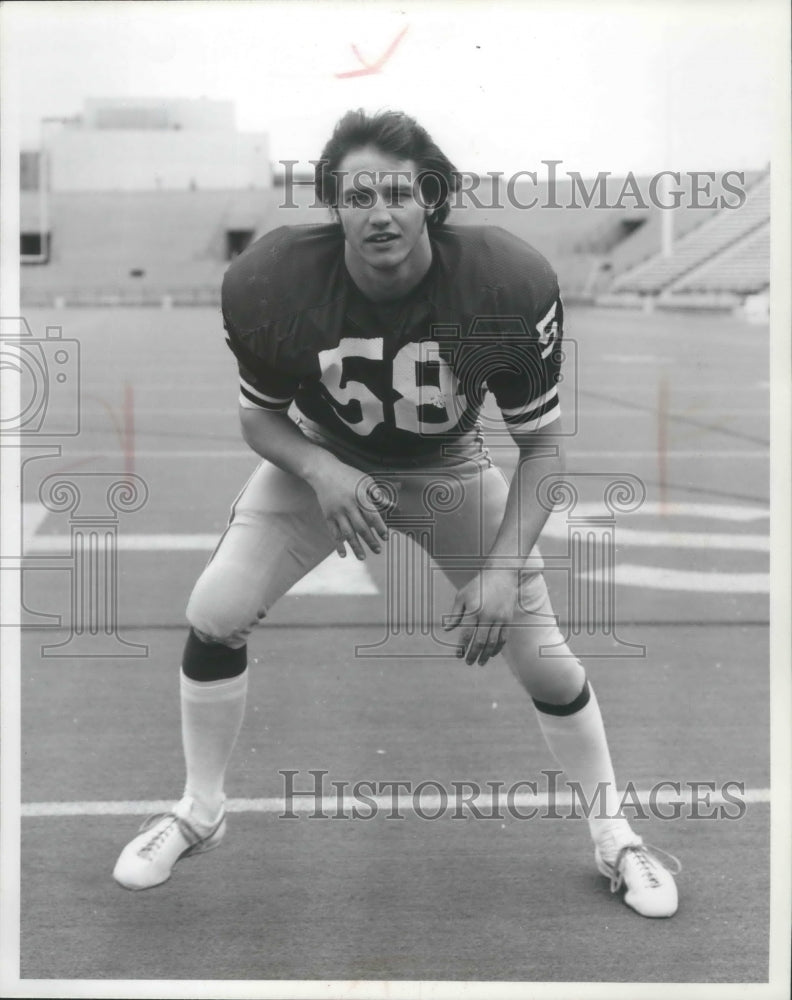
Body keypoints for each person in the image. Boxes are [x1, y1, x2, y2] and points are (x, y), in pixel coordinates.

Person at [113, 109, 680, 917]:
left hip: (449, 466)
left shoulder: (501, 282)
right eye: (357, 195)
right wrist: (323, 471)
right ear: (332, 205)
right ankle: (201, 811)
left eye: (398, 193)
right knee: (215, 610)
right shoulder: (272, 281)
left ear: (432, 200)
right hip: (325, 456)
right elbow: (259, 416)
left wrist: (499, 571)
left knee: (545, 661)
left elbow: (543, 453)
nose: (379, 212)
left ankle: (615, 833)